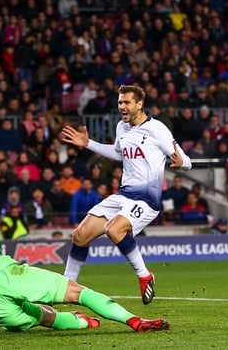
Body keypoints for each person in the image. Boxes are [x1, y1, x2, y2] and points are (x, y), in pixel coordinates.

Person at [0, 194, 169, 333]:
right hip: (7, 275)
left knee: (43, 317)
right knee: (77, 292)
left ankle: (81, 322)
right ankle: (133, 321)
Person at [59, 84, 192, 304]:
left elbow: (185, 159)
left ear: (139, 104)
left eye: (126, 102)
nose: (122, 106)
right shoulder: (122, 127)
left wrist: (181, 163)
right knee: (79, 235)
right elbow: (120, 153)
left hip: (147, 200)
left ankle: (144, 275)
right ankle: (65, 286)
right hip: (124, 196)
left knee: (114, 229)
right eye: (120, 102)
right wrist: (88, 143)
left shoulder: (156, 129)